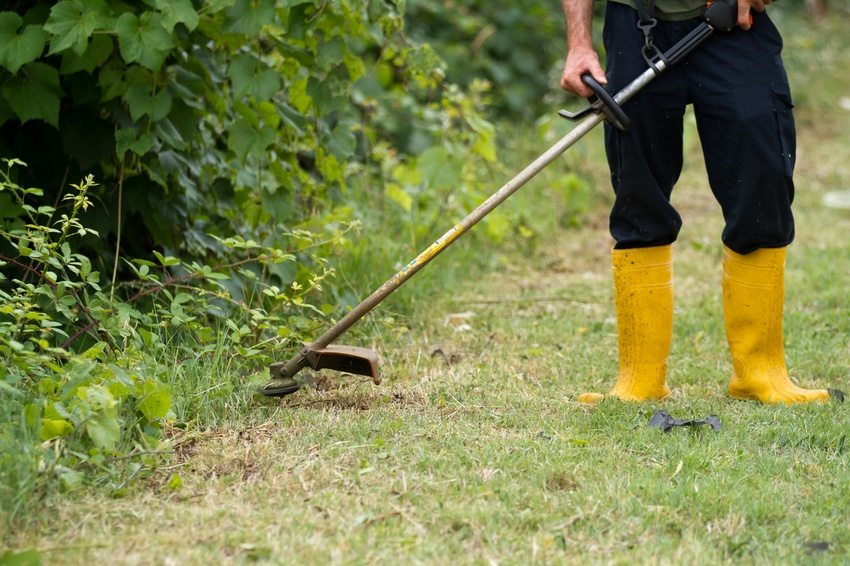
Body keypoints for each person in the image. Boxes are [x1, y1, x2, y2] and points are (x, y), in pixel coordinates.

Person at [559, 0, 833, 404]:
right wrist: (579, 43)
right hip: (635, 25)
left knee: (763, 181)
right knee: (639, 193)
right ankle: (641, 377)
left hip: (735, 22)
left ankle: (761, 372)